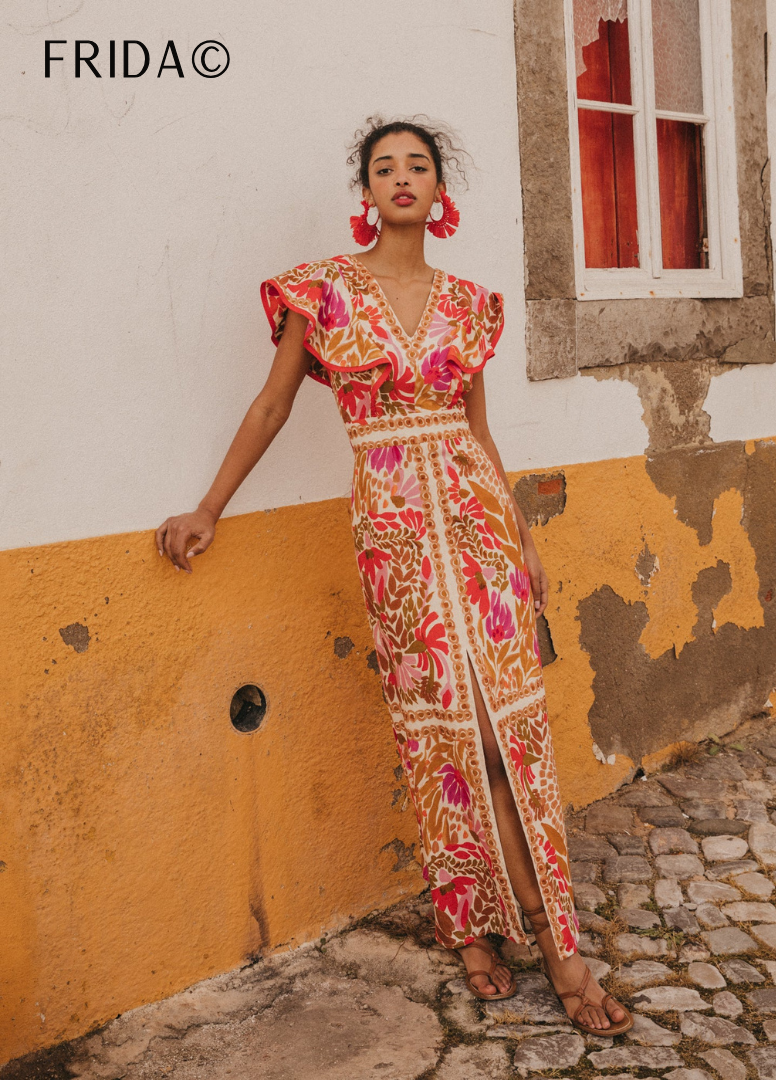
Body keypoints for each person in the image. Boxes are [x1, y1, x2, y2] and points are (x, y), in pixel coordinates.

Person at [155, 116, 633, 1035]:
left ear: (439, 189)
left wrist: (523, 538)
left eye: (418, 165)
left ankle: (558, 948)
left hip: (480, 532)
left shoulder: (471, 304)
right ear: (366, 191)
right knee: (440, 736)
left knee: (506, 734)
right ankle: (469, 924)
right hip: (397, 538)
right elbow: (271, 405)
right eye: (385, 167)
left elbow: (478, 432)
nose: (402, 177)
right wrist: (209, 507)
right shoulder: (322, 292)